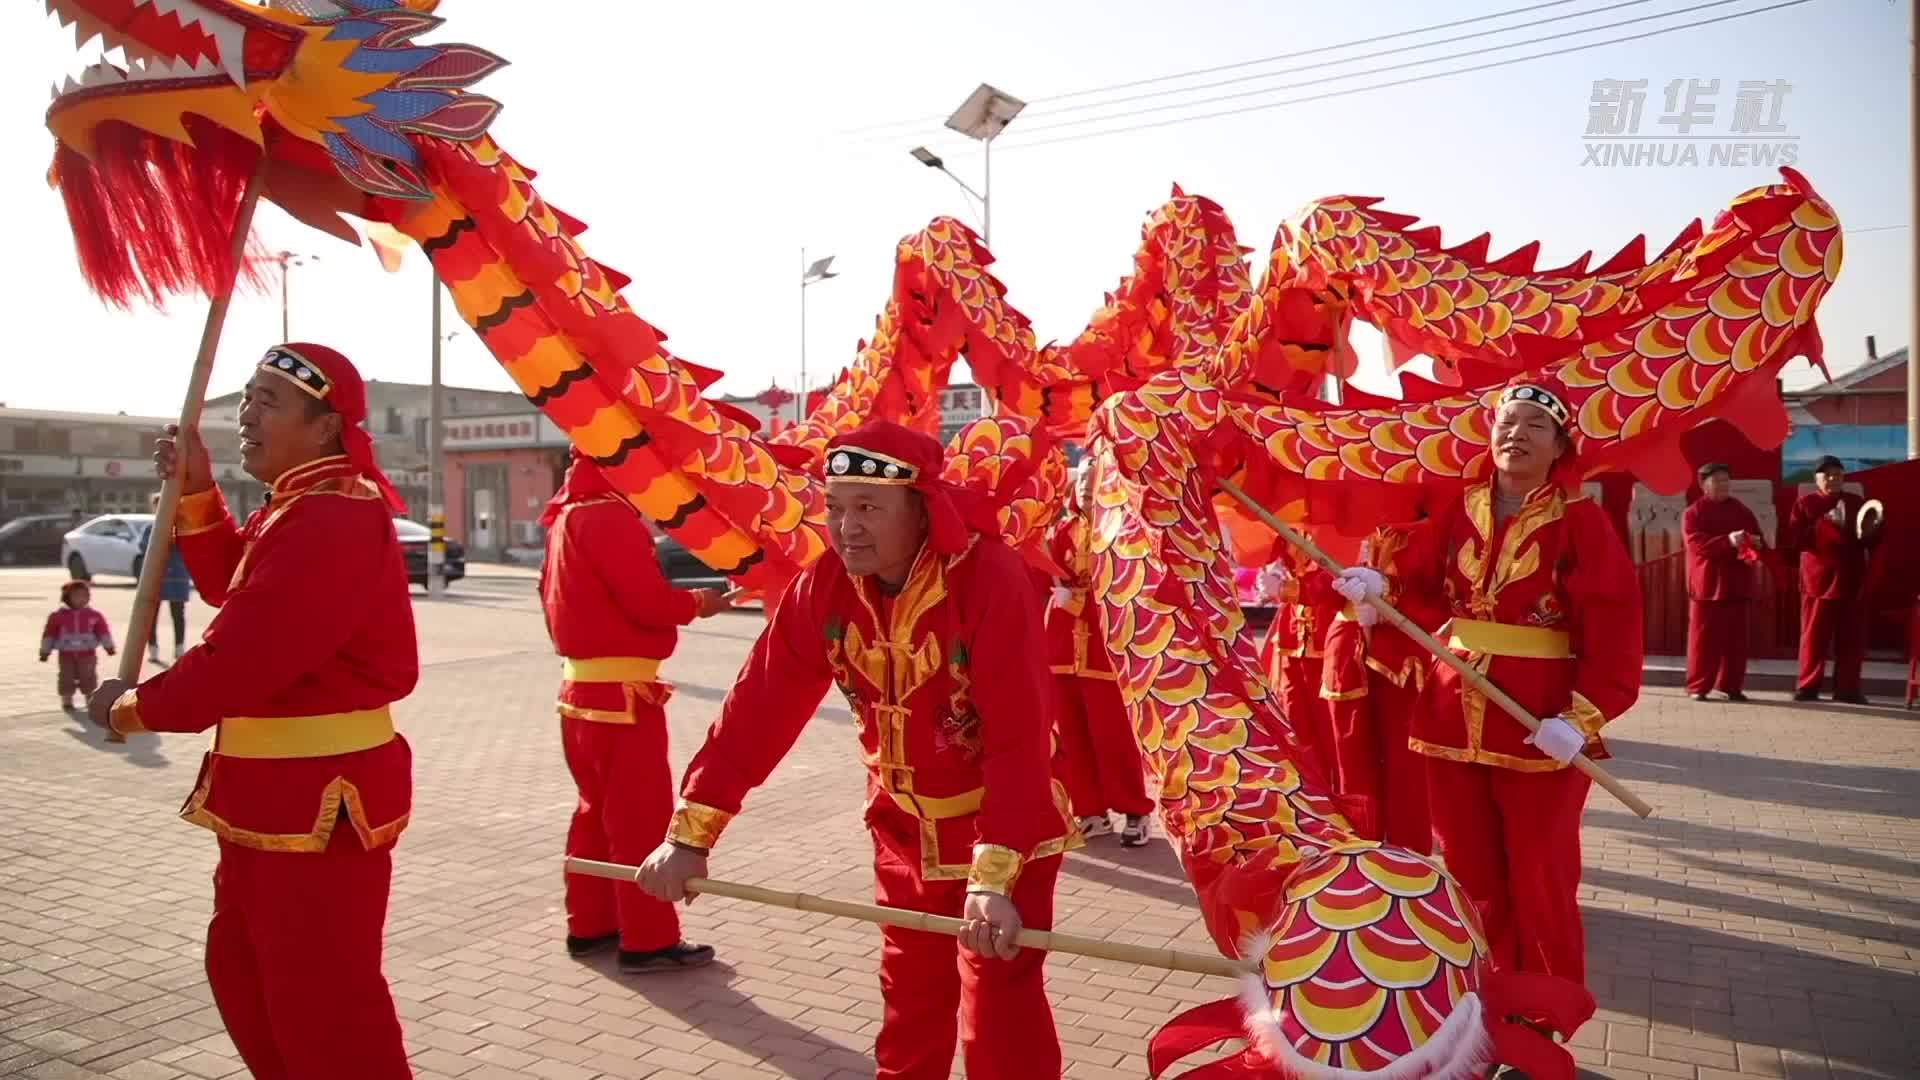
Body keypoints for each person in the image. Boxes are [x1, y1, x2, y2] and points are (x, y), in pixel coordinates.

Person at [635, 420, 1077, 1080]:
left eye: (868, 508)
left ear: (923, 507)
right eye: (836, 508)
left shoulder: (990, 578)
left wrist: (992, 882)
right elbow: (760, 706)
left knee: (999, 1010)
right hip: (901, 830)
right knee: (910, 1003)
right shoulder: (826, 586)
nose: (847, 528)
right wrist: (691, 831)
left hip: (1003, 833)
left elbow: (1018, 737)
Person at [88, 343, 418, 1079]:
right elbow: (231, 591)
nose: (245, 414)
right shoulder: (299, 507)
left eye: (268, 401)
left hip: (319, 800)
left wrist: (131, 709)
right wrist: (199, 490)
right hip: (273, 799)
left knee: (324, 1011)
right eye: (246, 397)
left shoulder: (332, 515)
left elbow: (239, 659)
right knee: (248, 982)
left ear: (327, 427)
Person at [1335, 380, 1642, 995]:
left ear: (1559, 446)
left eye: (1534, 426)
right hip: (1452, 714)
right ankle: (1486, 1001)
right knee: (1470, 874)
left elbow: (1615, 627)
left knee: (1541, 877)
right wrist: (1379, 593)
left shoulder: (1581, 522)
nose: (1515, 434)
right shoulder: (1460, 507)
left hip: (1538, 725)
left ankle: (1545, 1015)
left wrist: (1582, 718)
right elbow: (1419, 590)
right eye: (1507, 422)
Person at [540, 448, 730, 973]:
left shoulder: (567, 516)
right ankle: (647, 939)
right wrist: (697, 603)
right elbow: (645, 601)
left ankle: (590, 924)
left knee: (593, 815)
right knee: (637, 819)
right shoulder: (609, 514)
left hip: (580, 694)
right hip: (624, 697)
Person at [1315, 519, 1441, 853]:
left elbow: (1440, 598)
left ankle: (1408, 859)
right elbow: (1316, 593)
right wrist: (1328, 583)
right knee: (1350, 763)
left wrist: (1389, 591)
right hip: (1346, 653)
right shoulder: (1342, 528)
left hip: (1402, 661)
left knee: (1407, 769)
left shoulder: (1432, 531)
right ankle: (1358, 853)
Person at [1047, 463, 1153, 846]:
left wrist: (1075, 599)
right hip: (1062, 648)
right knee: (1071, 735)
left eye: (1095, 495)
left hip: (1104, 649)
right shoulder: (1061, 531)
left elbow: (1123, 591)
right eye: (1084, 494)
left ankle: (1135, 811)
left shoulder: (1123, 534)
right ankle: (1089, 811)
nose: (1088, 501)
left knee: (1114, 737)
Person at [1786, 456, 1883, 703]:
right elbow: (1796, 540)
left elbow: (1872, 541)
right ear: (1816, 479)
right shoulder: (1805, 504)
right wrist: (1825, 523)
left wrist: (1874, 529)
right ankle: (1808, 687)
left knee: (1851, 639)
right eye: (1827, 475)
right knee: (1814, 637)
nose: (1833, 479)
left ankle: (1848, 689)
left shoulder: (1856, 503)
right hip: (1818, 581)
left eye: (1837, 475)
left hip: (1851, 578)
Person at [1256, 544, 1341, 773]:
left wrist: (1285, 588)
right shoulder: (1294, 521)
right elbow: (1267, 551)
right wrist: (1271, 568)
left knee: (1329, 726)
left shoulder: (1339, 530)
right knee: (1294, 720)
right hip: (1292, 638)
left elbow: (1333, 581)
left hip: (1326, 636)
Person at [1682, 463, 1762, 702]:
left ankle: (1730, 686)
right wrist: (1728, 540)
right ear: (1703, 485)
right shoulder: (1693, 513)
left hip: (1737, 583)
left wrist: (1754, 544)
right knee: (1703, 641)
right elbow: (1697, 545)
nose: (1723, 485)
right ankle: (1698, 686)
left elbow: (1757, 538)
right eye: (1717, 481)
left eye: (1726, 480)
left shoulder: (1741, 510)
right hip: (1707, 585)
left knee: (1736, 642)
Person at [41, 579, 114, 710]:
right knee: (66, 677)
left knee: (88, 677)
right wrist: (45, 651)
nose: (82, 599)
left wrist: (108, 646)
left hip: (87, 654)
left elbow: (103, 631)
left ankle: (90, 699)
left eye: (85, 596)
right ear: (67, 598)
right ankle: (67, 701)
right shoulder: (57, 616)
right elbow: (49, 633)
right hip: (66, 654)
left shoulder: (94, 615)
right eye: (77, 596)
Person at [139, 491, 194, 663]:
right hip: (156, 577)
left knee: (178, 613)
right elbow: (142, 548)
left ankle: (179, 647)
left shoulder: (182, 527)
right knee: (150, 615)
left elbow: (189, 548)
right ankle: (153, 649)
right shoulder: (150, 528)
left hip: (177, 577)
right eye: (158, 505)